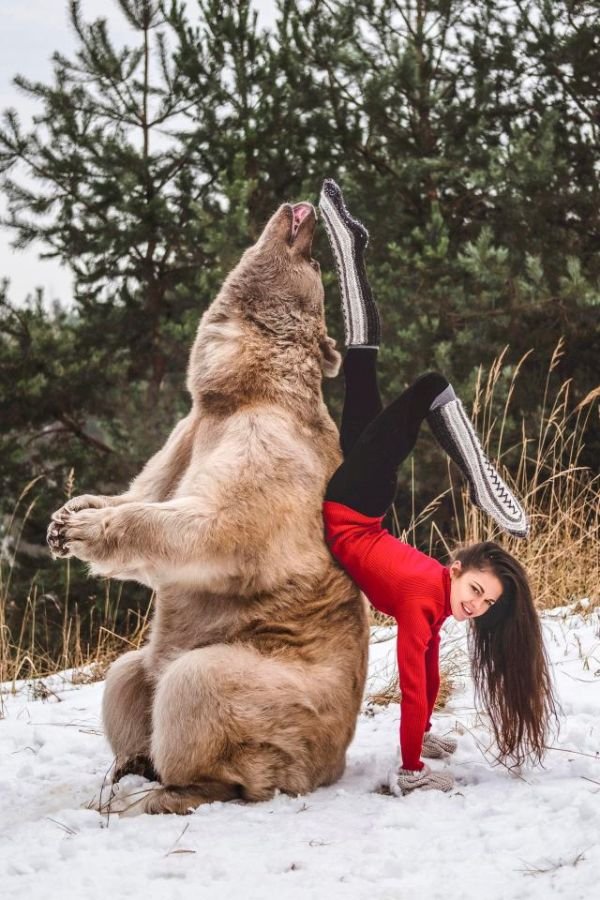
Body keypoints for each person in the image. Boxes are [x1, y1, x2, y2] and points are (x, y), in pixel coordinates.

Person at [318, 179, 557, 795]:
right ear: (456, 568)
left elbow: (421, 669)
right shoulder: (429, 595)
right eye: (477, 590)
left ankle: (347, 247)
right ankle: (480, 477)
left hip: (358, 513)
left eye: (484, 604)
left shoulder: (431, 599)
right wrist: (411, 771)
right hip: (357, 507)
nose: (476, 606)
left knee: (361, 358)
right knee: (427, 385)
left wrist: (420, 734)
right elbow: (413, 678)